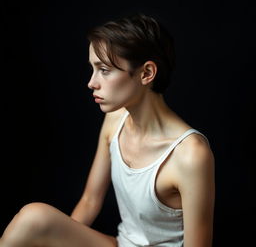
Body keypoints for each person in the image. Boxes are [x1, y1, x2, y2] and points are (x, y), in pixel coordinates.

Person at [0, 13, 215, 247]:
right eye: (93, 69)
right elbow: (90, 200)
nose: (92, 83)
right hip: (119, 244)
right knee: (34, 217)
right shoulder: (115, 120)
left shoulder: (190, 154)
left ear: (146, 73)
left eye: (104, 69)